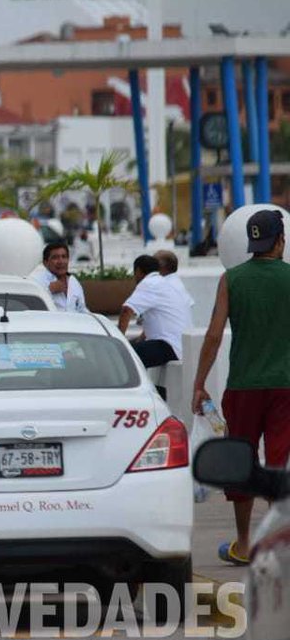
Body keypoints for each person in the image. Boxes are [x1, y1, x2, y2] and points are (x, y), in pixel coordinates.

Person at [192, 209, 290, 566]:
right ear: (280, 240)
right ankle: (281, 543)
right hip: (286, 386)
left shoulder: (231, 279)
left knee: (242, 463)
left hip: (243, 386)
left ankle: (245, 544)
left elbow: (215, 335)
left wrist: (199, 383)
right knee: (280, 463)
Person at [118, 255, 192, 397]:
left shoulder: (148, 284)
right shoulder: (164, 283)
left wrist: (117, 341)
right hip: (178, 344)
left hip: (169, 345)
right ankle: (152, 393)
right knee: (135, 349)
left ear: (138, 271)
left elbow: (127, 310)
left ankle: (135, 397)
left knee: (123, 357)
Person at [32, 241, 88, 313]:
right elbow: (33, 307)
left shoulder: (73, 282)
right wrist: (49, 291)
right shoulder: (37, 281)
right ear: (45, 263)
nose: (60, 261)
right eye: (55, 258)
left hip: (74, 323)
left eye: (64, 257)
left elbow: (82, 309)